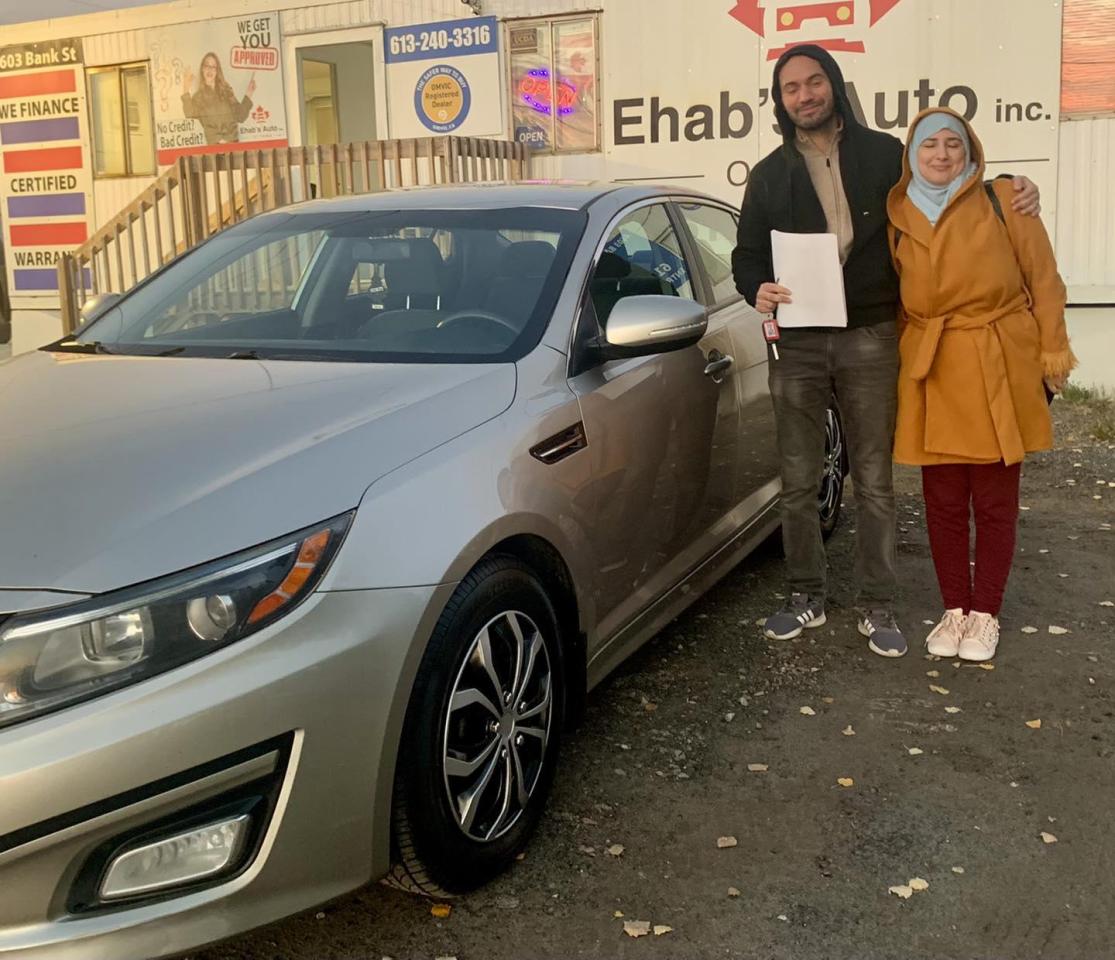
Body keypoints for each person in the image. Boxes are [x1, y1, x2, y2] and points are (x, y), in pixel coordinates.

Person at [731, 44, 1041, 659]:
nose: (804, 95)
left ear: (834, 84)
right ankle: (805, 594)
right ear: (780, 100)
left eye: (814, 81)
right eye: (791, 88)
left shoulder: (884, 155)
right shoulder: (767, 174)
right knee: (797, 479)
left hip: (871, 335)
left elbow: (946, 181)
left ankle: (878, 603)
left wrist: (1013, 187)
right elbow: (746, 255)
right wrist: (755, 287)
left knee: (874, 480)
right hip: (797, 341)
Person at [887, 107, 1075, 662]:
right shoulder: (897, 214)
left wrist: (1051, 353)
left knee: (994, 501)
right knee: (942, 501)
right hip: (932, 366)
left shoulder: (1006, 199)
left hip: (998, 361)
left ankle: (986, 612)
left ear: (970, 150)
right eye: (929, 145)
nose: (941, 154)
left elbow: (1045, 281)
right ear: (912, 154)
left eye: (953, 143)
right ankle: (955, 608)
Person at [181, 53, 256, 145]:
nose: (210, 69)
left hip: (233, 145)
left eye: (213, 67)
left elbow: (240, 116)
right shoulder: (198, 97)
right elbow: (189, 114)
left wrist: (249, 93)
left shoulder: (226, 90)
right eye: (207, 65)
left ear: (217, 71)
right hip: (215, 148)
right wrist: (185, 87)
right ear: (202, 69)